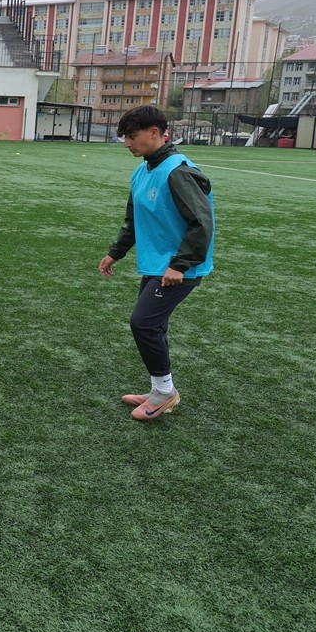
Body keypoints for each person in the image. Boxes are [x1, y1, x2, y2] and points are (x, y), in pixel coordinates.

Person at [98, 104, 215, 422]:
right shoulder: (142, 171)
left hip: (178, 268)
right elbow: (133, 219)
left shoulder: (179, 171)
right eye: (124, 137)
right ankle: (160, 390)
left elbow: (201, 223)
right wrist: (116, 252)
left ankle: (164, 393)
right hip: (156, 265)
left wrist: (180, 265)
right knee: (153, 325)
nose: (126, 144)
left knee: (144, 323)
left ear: (154, 133)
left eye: (131, 137)